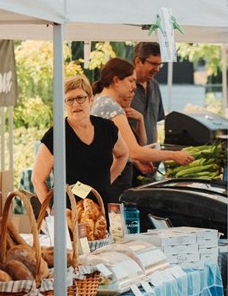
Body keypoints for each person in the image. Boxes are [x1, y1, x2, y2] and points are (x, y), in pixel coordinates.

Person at [91, 58, 193, 201]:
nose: (134, 86)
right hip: (114, 182)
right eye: (131, 81)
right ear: (116, 80)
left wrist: (134, 160)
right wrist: (174, 155)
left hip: (106, 178)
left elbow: (118, 149)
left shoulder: (99, 101)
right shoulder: (111, 108)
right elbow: (134, 151)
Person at [31, 76, 128, 209]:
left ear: (91, 100)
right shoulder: (56, 135)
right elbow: (37, 179)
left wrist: (107, 180)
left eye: (80, 98)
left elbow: (123, 154)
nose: (75, 104)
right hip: (69, 213)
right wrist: (51, 213)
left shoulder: (108, 128)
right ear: (63, 104)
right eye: (69, 100)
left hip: (101, 208)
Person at [131, 42, 166, 182]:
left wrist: (155, 152)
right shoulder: (125, 88)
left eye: (160, 64)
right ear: (138, 61)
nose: (157, 69)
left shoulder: (155, 86)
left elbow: (155, 124)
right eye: (153, 64)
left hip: (150, 163)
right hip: (130, 162)